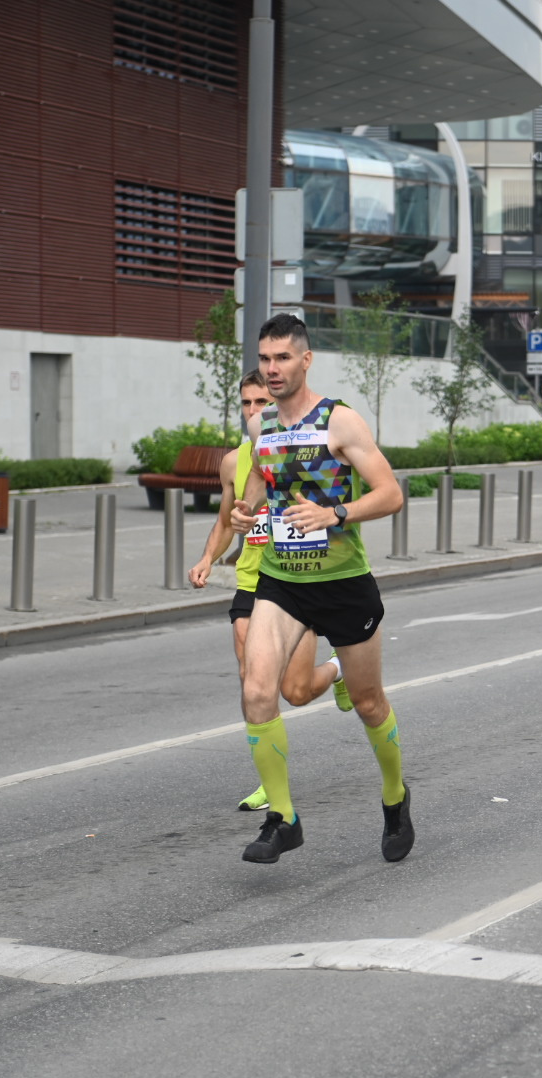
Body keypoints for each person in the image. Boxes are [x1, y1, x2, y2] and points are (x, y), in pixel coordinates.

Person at [228, 313, 410, 864]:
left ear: (306, 360)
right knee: (258, 692)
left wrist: (335, 513)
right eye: (265, 358)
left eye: (283, 358)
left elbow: (391, 494)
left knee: (370, 702)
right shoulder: (262, 428)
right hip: (282, 582)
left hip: (344, 583)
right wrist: (245, 512)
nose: (272, 369)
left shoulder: (340, 422)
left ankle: (396, 797)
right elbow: (261, 485)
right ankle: (283, 818)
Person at [189, 371, 353, 813]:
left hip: (295, 582)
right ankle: (269, 782)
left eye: (260, 401)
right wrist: (208, 558)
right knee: (253, 685)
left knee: (295, 690)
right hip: (251, 581)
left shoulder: (299, 451)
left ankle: (339, 670)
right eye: (245, 403)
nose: (253, 412)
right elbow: (228, 519)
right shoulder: (233, 462)